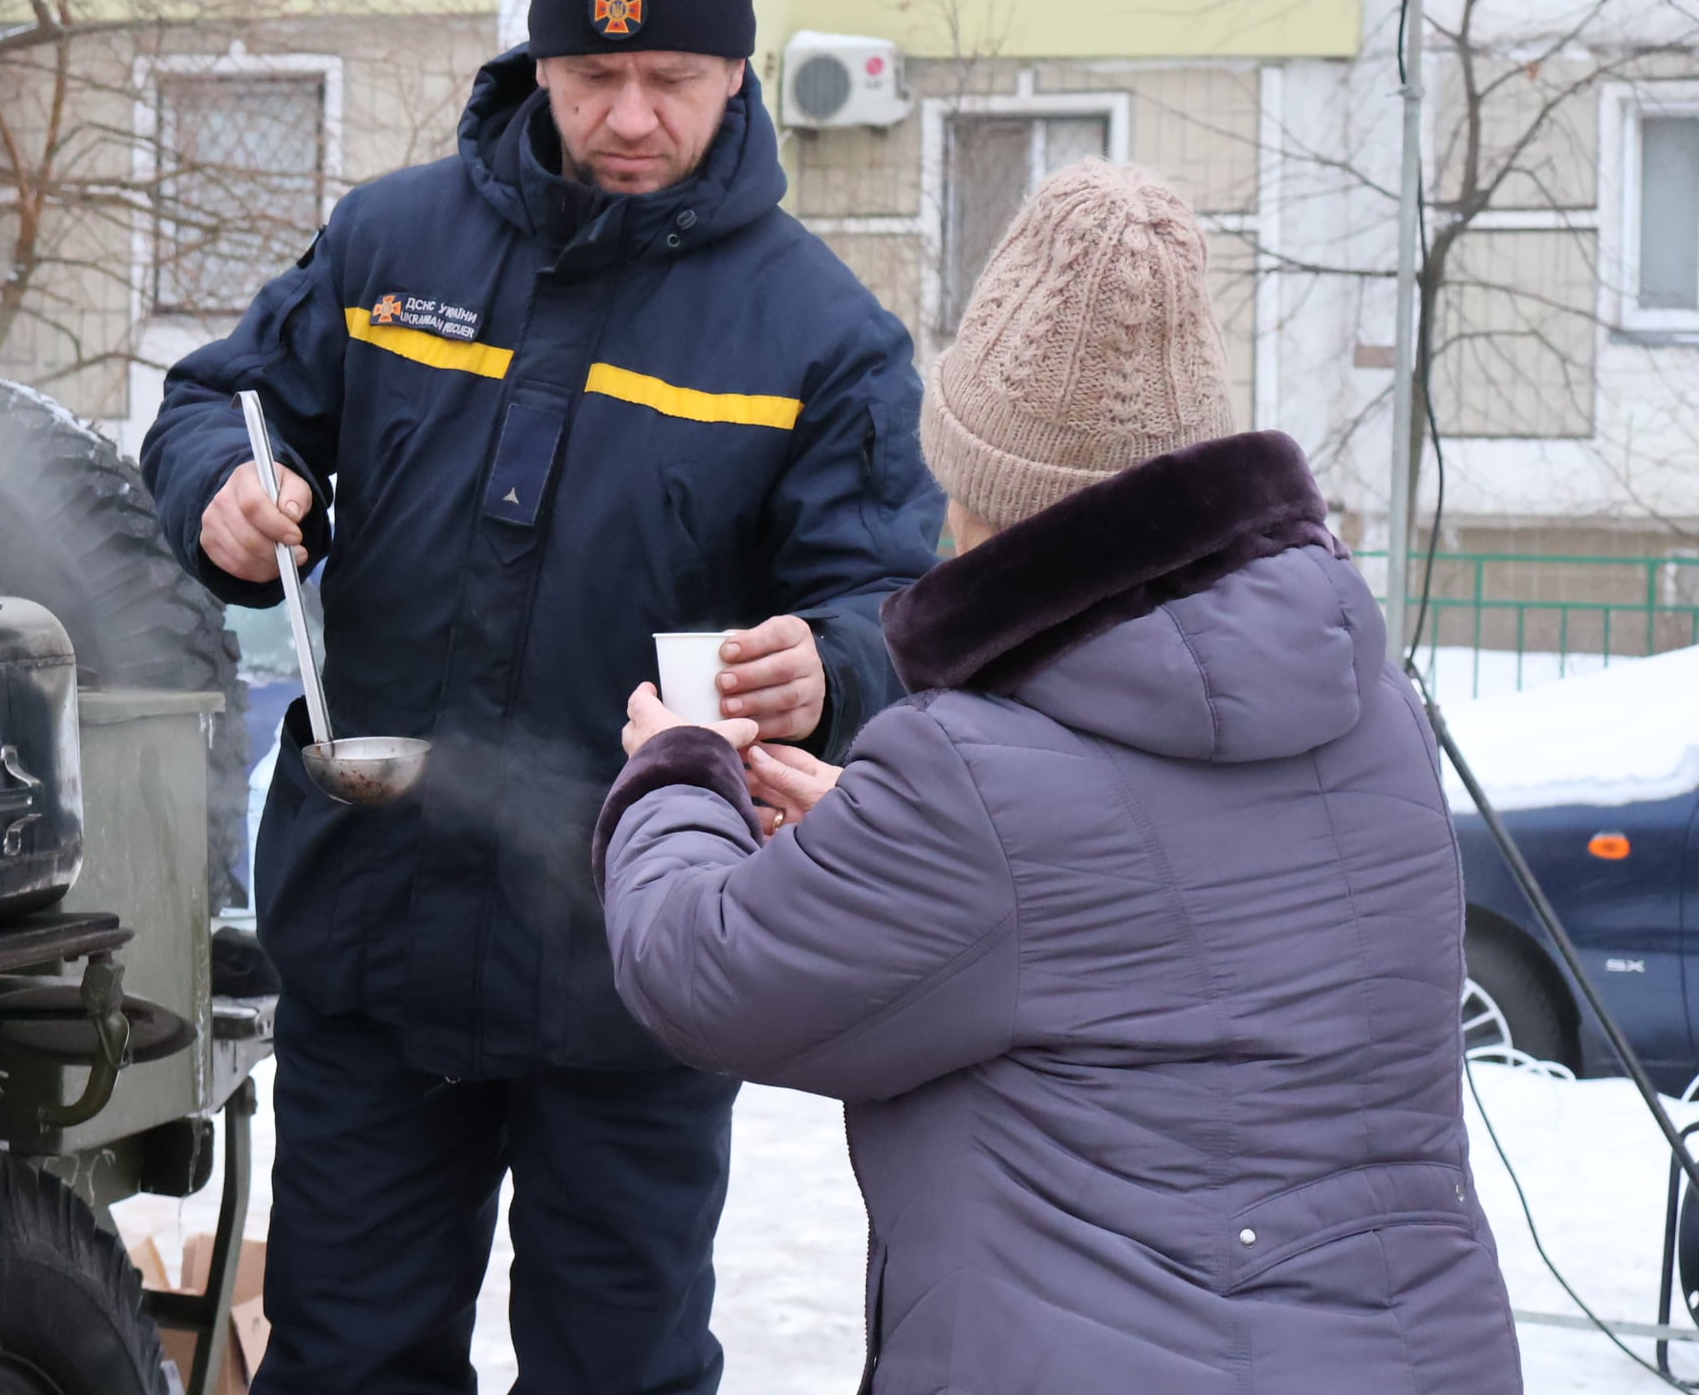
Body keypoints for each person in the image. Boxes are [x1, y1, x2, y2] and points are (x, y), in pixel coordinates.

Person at [141, 0, 943, 1393]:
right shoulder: (391, 247)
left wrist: (828, 664)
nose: (630, 116)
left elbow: (895, 605)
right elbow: (212, 405)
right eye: (594, 77)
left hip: (637, 970)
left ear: (736, 77)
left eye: (671, 81)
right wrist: (225, 501)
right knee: (346, 1363)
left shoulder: (821, 334)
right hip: (372, 940)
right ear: (539, 66)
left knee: (618, 1373)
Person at [596, 160, 1521, 1394]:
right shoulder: (1368, 705)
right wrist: (873, 836)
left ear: (985, 495)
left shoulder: (971, 777)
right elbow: (1120, 915)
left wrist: (678, 773)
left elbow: (705, 974)